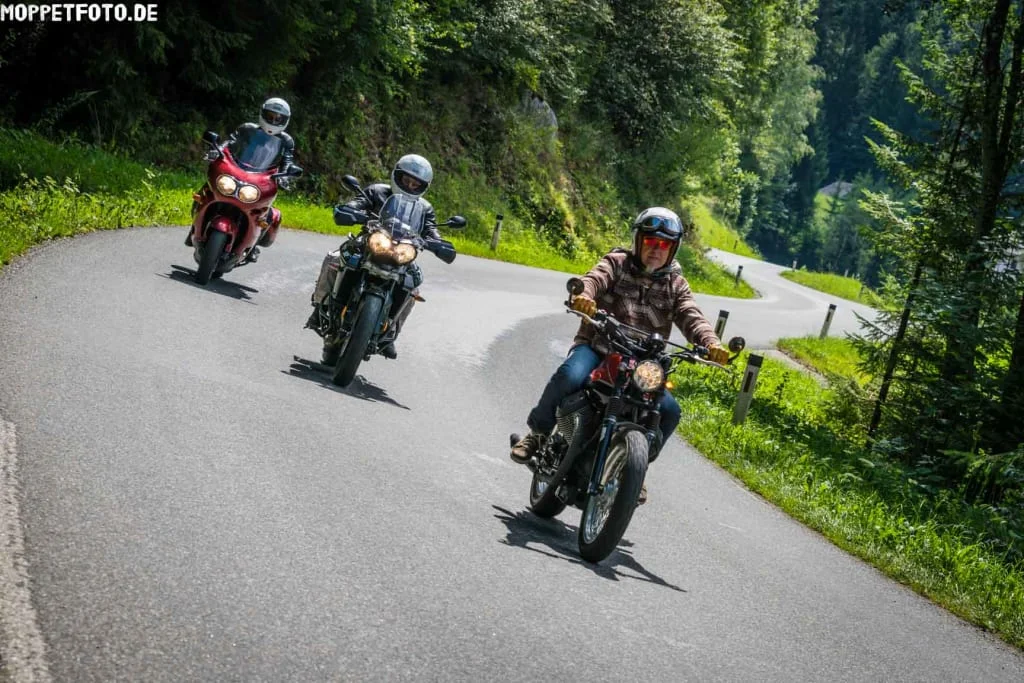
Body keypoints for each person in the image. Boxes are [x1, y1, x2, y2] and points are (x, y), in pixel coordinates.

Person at [508, 207, 730, 503]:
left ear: (673, 249)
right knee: (569, 375)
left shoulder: (676, 285)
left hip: (643, 364)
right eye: (651, 241)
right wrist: (584, 296)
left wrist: (711, 343)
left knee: (670, 411)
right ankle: (538, 434)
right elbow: (595, 279)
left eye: (664, 245)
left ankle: (633, 469)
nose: (656, 249)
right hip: (599, 348)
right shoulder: (618, 263)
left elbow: (692, 315)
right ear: (639, 240)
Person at [307, 153, 438, 360]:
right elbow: (357, 203)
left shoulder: (425, 209)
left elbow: (431, 231)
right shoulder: (376, 191)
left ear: (423, 187)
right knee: (334, 259)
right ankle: (321, 306)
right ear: (397, 176)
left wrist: (438, 243)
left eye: (416, 184)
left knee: (412, 286)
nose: (410, 185)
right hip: (369, 244)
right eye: (406, 180)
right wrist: (352, 211)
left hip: (401, 253)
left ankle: (392, 333)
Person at [186, 97, 300, 261]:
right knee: (207, 191)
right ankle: (195, 226)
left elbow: (287, 160)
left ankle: (254, 244)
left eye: (278, 118)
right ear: (262, 113)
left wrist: (286, 176)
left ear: (285, 121)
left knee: (264, 213)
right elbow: (229, 142)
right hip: (237, 168)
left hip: (264, 176)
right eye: (270, 115)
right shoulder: (247, 128)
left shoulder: (286, 141)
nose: (274, 120)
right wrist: (216, 151)